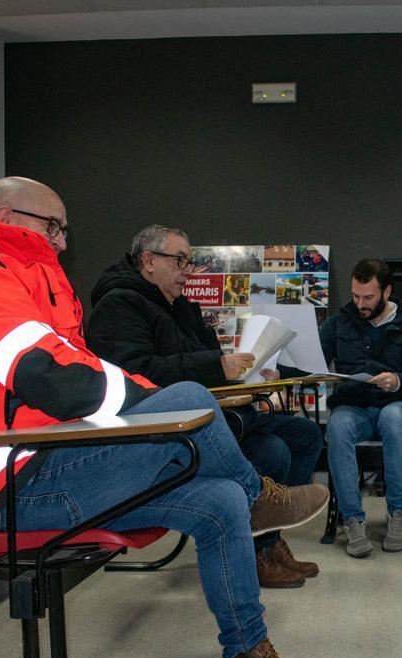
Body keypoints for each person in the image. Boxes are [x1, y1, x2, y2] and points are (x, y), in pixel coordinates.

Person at [0, 177, 335, 658]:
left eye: (64, 229)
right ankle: (260, 495)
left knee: (219, 503)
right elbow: (53, 378)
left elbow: (85, 371)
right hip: (15, 485)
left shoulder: (26, 283)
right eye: (51, 226)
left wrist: (146, 403)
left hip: (58, 460)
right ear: (5, 218)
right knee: (189, 396)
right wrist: (151, 404)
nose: (62, 242)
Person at [86, 224, 324, 589]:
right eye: (180, 260)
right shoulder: (117, 305)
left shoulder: (181, 307)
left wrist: (253, 373)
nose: (188, 270)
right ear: (148, 261)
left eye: (190, 261)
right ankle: (257, 554)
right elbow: (135, 374)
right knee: (271, 450)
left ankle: (271, 542)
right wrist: (217, 365)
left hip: (213, 414)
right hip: (166, 430)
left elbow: (210, 364)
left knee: (306, 434)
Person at [320, 259, 402, 557]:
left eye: (368, 297)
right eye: (355, 296)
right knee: (338, 426)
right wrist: (282, 370)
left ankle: (398, 514)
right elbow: (309, 358)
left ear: (387, 291)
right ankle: (352, 519)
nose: (360, 303)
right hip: (354, 406)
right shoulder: (339, 323)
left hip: (398, 405)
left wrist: (396, 381)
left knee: (393, 418)